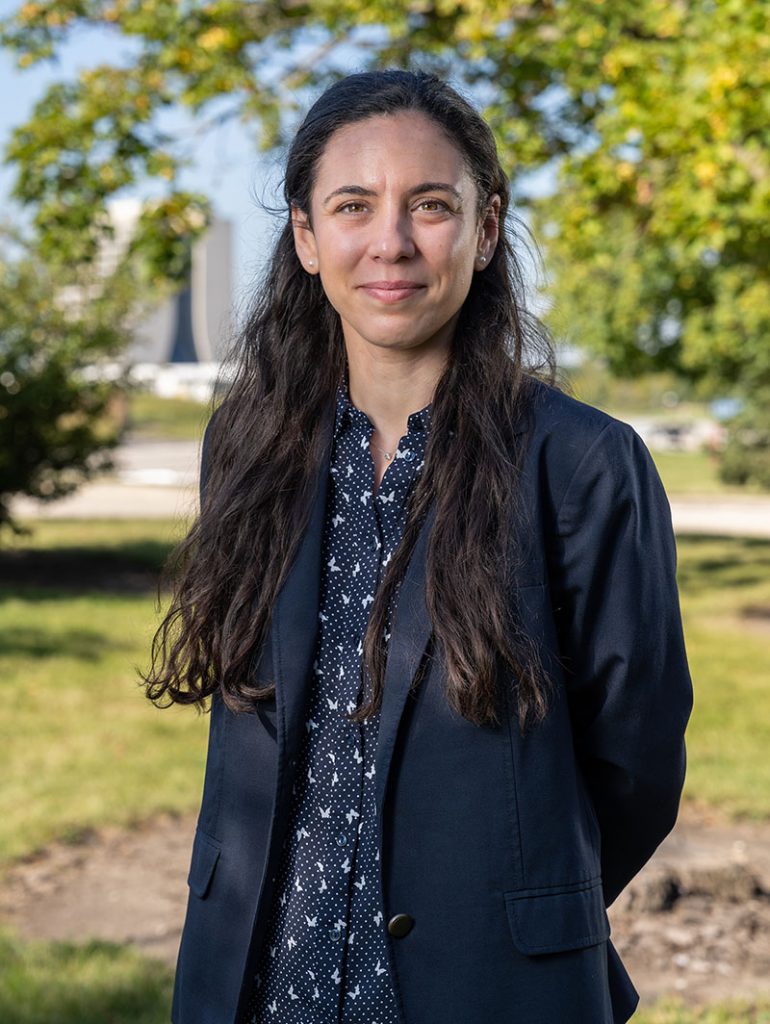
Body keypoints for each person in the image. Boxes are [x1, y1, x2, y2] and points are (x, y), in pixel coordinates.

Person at [144, 69, 693, 1024]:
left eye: (430, 205)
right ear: (308, 239)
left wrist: (517, 902)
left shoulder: (588, 463)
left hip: (490, 984)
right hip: (257, 984)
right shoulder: (244, 442)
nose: (390, 242)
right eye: (353, 206)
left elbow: (637, 765)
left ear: (484, 233)